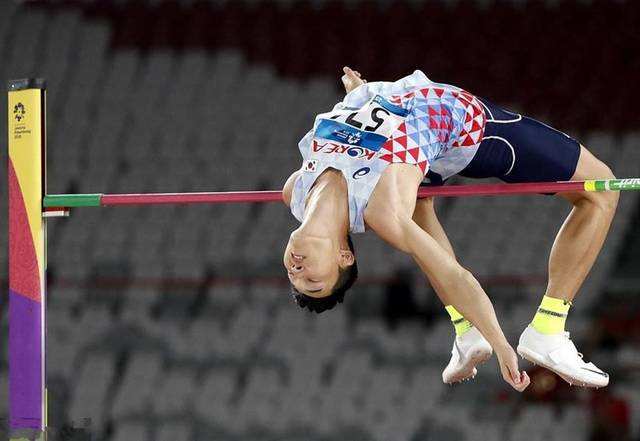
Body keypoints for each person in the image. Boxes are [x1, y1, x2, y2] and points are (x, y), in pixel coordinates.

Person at [282, 67, 616, 390]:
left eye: (295, 278)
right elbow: (455, 275)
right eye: (313, 281)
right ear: (344, 256)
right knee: (602, 189)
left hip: (402, 102)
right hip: (464, 124)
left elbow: (360, 133)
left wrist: (358, 95)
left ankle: (467, 331)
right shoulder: (384, 210)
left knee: (418, 201)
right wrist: (502, 347)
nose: (297, 272)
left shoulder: (296, 190)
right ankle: (548, 326)